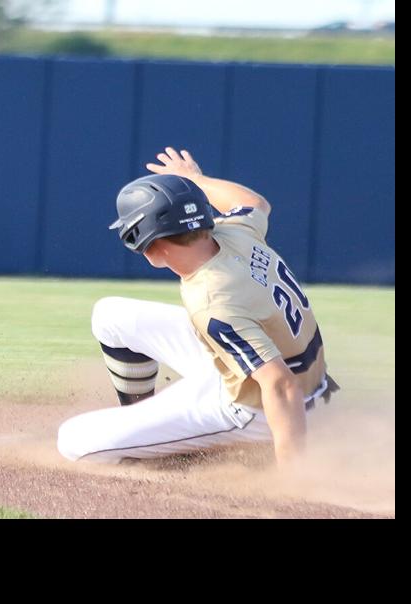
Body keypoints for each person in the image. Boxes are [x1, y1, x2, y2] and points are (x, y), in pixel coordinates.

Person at [57, 147, 337, 468]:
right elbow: (255, 202)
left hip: (264, 407)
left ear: (148, 244)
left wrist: (295, 478)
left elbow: (280, 385)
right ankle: (146, 426)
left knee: (73, 441)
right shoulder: (236, 231)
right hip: (277, 371)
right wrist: (194, 179)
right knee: (110, 315)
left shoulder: (212, 301)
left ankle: (168, 449)